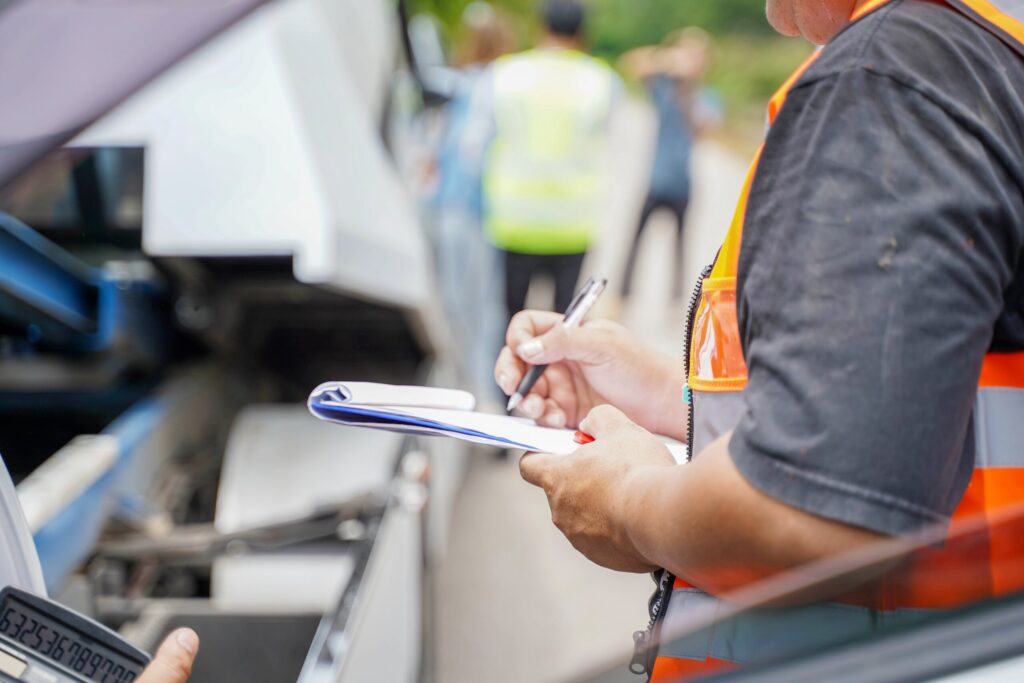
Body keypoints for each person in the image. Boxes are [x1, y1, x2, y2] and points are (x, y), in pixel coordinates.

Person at [495, 0, 1024, 679]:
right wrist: (665, 392)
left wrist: (626, 501)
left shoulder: (890, 80)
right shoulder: (982, 54)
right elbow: (910, 408)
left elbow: (811, 505)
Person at [464, 0, 621, 318]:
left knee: (511, 322)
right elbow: (613, 146)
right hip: (573, 222)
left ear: (542, 25)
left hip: (514, 219)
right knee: (565, 324)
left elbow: (472, 147)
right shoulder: (602, 80)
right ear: (581, 31)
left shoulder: (505, 74)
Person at [619, 28, 721, 302]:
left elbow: (704, 129)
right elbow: (631, 62)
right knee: (635, 243)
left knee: (680, 247)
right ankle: (622, 294)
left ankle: (677, 299)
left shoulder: (705, 96)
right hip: (655, 179)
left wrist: (688, 92)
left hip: (682, 183)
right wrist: (668, 60)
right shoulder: (662, 88)